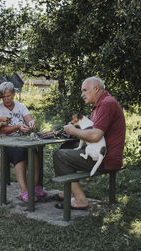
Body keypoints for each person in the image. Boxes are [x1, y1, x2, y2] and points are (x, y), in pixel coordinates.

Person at [53, 76, 126, 209]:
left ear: (96, 89)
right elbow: (92, 131)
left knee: (60, 155)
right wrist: (74, 128)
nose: (82, 95)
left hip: (106, 158)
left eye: (85, 90)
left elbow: (95, 136)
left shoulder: (106, 104)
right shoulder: (100, 104)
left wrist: (74, 131)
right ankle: (70, 190)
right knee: (67, 146)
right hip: (102, 151)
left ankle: (80, 200)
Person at [0, 81, 46, 202]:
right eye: (4, 97)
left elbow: (28, 118)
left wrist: (31, 122)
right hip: (3, 142)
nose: (6, 99)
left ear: (14, 94)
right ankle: (23, 191)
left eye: (9, 96)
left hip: (19, 140)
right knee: (19, 155)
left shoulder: (20, 106)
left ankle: (34, 187)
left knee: (34, 155)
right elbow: (2, 129)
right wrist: (18, 126)